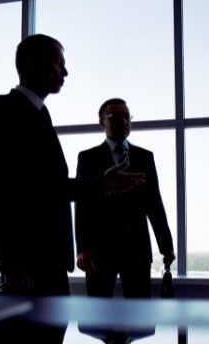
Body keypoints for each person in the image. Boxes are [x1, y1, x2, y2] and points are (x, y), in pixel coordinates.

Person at [0, 34, 145, 298]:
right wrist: (13, 265)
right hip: (28, 263)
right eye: (58, 63)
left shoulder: (40, 113)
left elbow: (48, 188)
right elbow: (0, 192)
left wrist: (102, 184)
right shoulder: (2, 109)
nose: (64, 71)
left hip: (47, 258)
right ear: (32, 63)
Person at [74, 98, 176, 299]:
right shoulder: (88, 157)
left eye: (126, 116)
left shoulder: (145, 157)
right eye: (115, 116)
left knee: (140, 316)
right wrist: (82, 248)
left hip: (136, 247)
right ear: (101, 122)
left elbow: (154, 203)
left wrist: (166, 246)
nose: (123, 121)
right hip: (98, 250)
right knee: (98, 316)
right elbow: (81, 204)